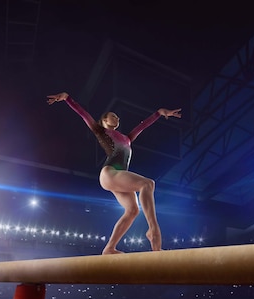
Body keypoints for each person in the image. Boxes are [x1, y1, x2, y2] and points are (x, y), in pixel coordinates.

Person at [46, 92, 181, 254]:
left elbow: (143, 126)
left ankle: (109, 248)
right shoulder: (100, 131)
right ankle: (153, 229)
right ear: (104, 120)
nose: (117, 118)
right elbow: (84, 114)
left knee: (132, 210)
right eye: (113, 116)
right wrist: (67, 98)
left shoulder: (127, 138)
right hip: (110, 173)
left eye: (117, 117)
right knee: (148, 183)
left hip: (118, 177)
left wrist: (159, 113)